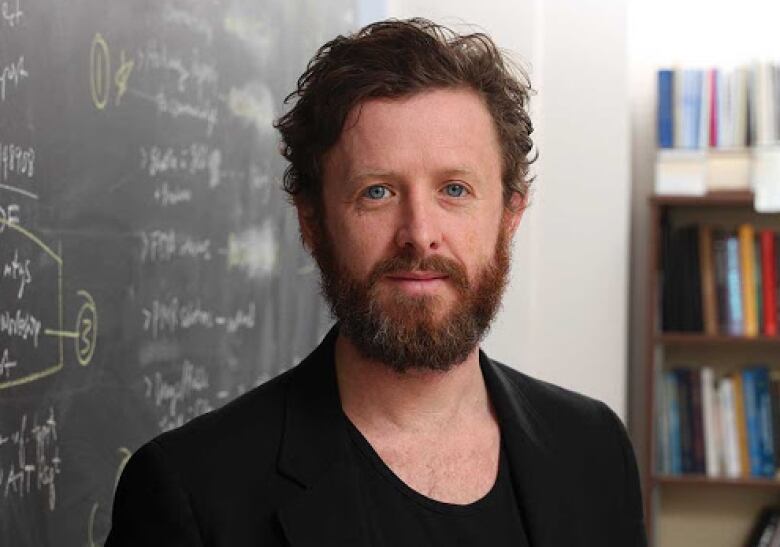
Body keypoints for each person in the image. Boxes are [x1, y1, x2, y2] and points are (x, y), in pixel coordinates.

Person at [106, 18, 647, 546]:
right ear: (312, 222)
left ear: (510, 215)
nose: (419, 235)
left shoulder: (594, 448)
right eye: (378, 192)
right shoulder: (192, 491)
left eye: (454, 189)